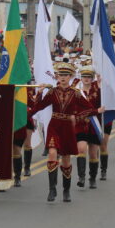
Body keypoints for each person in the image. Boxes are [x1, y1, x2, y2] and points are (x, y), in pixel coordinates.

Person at [31, 62, 103, 203]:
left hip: (68, 127)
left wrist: (80, 116)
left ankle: (66, 190)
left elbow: (88, 109)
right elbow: (38, 106)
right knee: (52, 153)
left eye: (65, 75)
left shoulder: (75, 93)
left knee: (65, 159)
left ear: (70, 76)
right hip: (54, 125)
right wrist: (39, 94)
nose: (62, 77)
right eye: (60, 75)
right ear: (57, 76)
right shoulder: (52, 92)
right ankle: (52, 189)